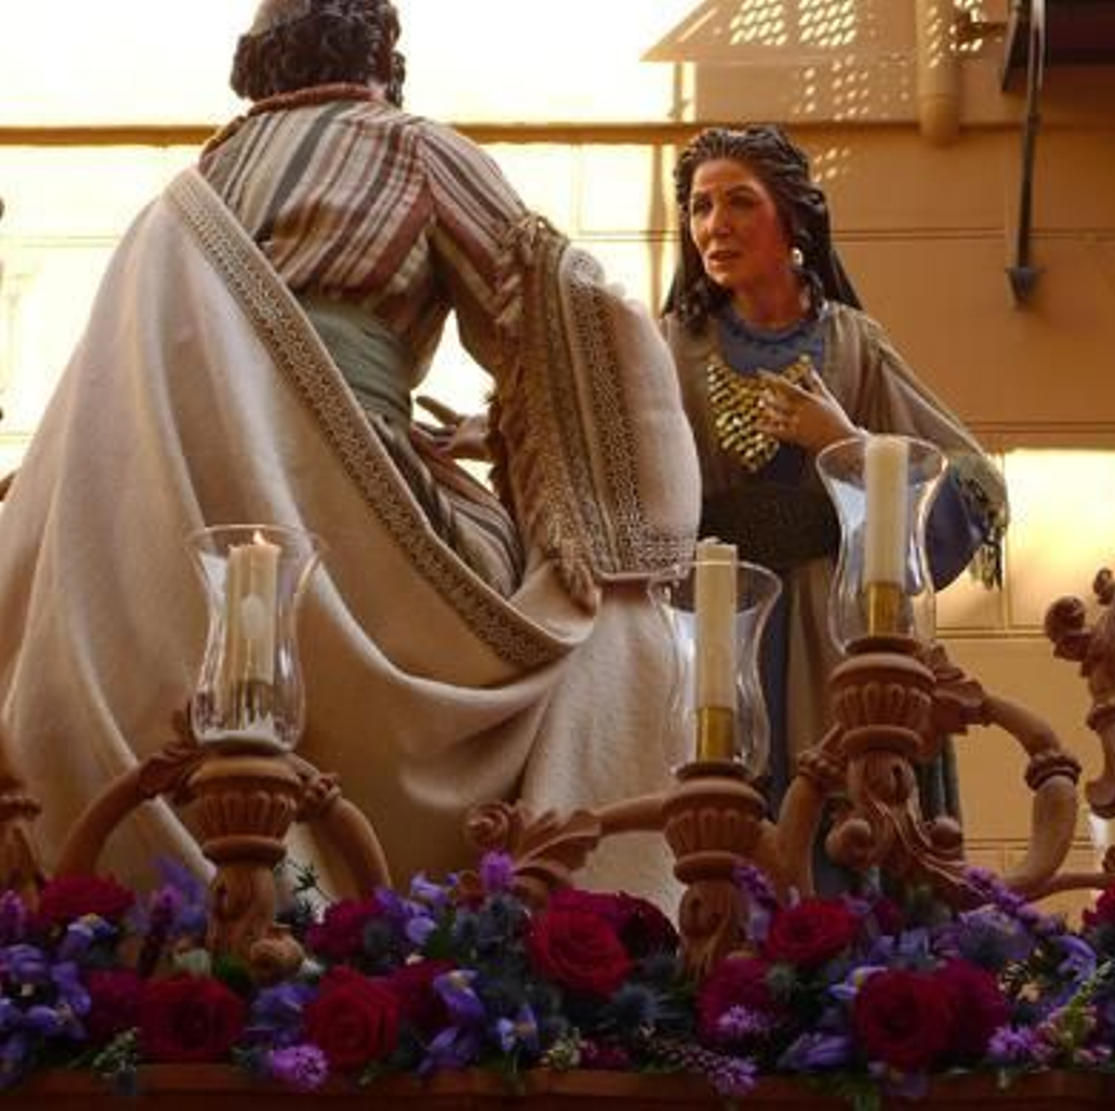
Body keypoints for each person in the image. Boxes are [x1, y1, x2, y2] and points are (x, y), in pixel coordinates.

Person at [0, 0, 698, 904]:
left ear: (261, 65)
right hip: (353, 505)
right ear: (383, 57)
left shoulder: (200, 182)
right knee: (589, 618)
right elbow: (559, 305)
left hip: (167, 518)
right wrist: (594, 496)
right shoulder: (410, 146)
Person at [662, 125, 1007, 821]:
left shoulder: (852, 341)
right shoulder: (672, 344)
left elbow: (969, 477)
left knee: (851, 805)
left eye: (739, 203)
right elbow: (623, 460)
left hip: (837, 618)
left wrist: (845, 445)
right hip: (727, 621)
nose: (715, 226)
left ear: (790, 219)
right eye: (700, 207)